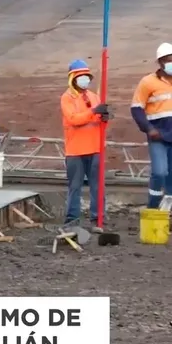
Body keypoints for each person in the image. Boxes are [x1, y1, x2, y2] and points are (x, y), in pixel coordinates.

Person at [61, 60, 108, 225]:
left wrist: (104, 118)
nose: (84, 79)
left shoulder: (95, 97)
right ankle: (72, 219)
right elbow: (74, 119)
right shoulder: (67, 98)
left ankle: (98, 217)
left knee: (98, 186)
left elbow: (99, 122)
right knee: (75, 186)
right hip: (75, 150)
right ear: (72, 78)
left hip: (95, 148)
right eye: (81, 76)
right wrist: (93, 111)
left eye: (86, 76)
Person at [131, 43, 172, 208]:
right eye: (168, 60)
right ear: (160, 62)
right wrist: (149, 129)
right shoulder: (148, 82)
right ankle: (153, 206)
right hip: (158, 135)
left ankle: (168, 209)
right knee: (160, 172)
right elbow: (136, 108)